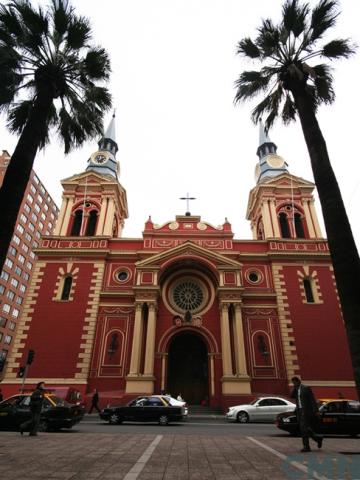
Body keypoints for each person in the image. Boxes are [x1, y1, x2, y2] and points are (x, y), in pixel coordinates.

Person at [291, 376, 323, 452]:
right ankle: (318, 438)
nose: (294, 384)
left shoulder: (306, 388)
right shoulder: (296, 389)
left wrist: (316, 411)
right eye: (293, 383)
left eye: (295, 382)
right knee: (304, 428)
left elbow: (312, 399)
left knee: (303, 428)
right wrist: (294, 388)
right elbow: (291, 396)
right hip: (299, 411)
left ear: (298, 382)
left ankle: (306, 446)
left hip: (306, 411)